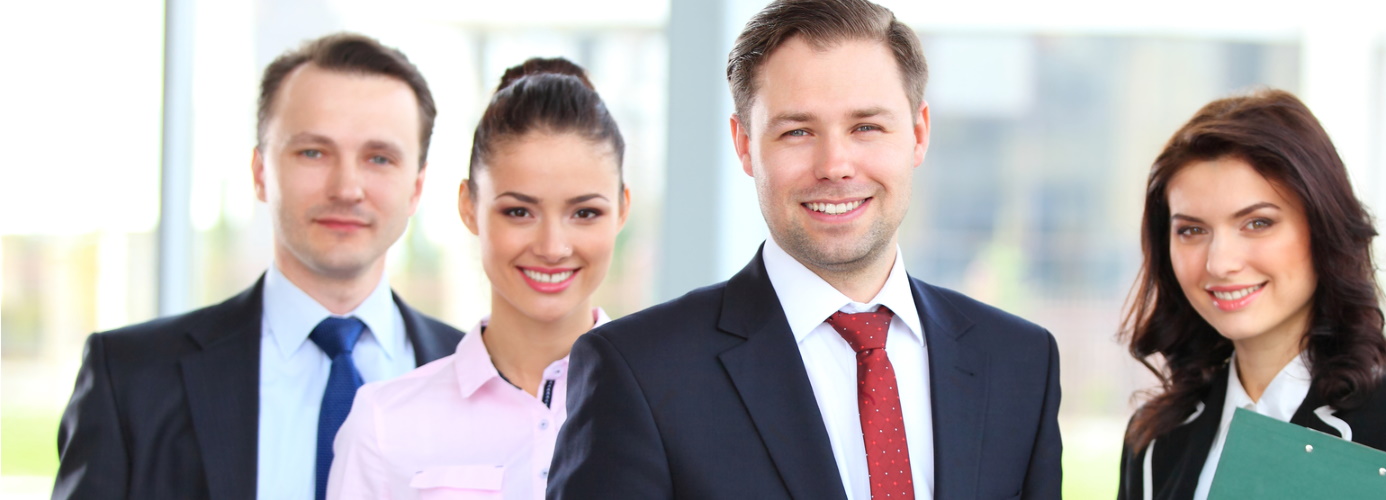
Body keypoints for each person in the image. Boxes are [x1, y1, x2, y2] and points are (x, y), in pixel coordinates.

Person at [546, 0, 1062, 498]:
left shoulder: (1019, 362)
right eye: (797, 131)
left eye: (866, 127)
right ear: (745, 144)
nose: (835, 164)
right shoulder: (640, 371)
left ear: (919, 133)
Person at [53, 33, 462, 500]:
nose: (347, 187)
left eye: (379, 158)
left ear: (416, 188)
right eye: (313, 152)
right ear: (260, 172)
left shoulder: (485, 377)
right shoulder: (130, 378)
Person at [1117, 89, 1386, 500]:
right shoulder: (1156, 439)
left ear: (1321, 230)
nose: (1219, 263)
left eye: (1257, 223)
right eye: (1192, 230)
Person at [324, 57, 630, 499]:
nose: (552, 246)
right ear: (469, 206)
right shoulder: (384, 423)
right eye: (518, 211)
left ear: (622, 209)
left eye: (585, 212)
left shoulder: (677, 409)